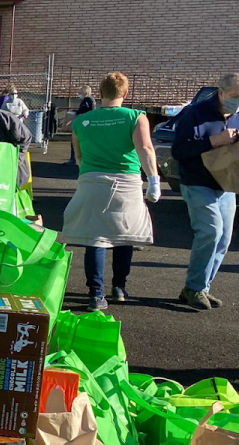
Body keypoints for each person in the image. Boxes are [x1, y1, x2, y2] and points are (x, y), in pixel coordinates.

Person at [60, 73, 159, 311]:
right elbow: (144, 148)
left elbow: (79, 156)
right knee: (124, 235)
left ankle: (96, 294)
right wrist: (154, 180)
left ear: (100, 93)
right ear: (125, 94)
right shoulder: (136, 117)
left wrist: (89, 175)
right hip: (126, 182)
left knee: (96, 238)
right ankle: (119, 288)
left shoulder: (82, 121)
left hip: (92, 180)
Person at [170, 72, 239, 309]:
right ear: (221, 93)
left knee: (224, 239)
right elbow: (178, 150)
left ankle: (200, 286)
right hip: (197, 182)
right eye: (235, 96)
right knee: (211, 231)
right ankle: (195, 288)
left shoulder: (238, 115)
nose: (237, 102)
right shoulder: (196, 113)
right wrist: (214, 140)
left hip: (226, 184)